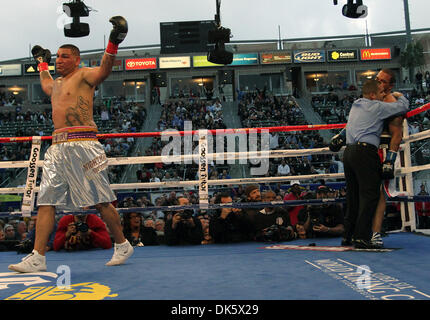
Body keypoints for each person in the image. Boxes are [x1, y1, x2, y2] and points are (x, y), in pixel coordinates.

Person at [9, 16, 133, 273]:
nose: (59, 60)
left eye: (64, 56)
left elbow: (104, 71)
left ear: (76, 59)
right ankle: (37, 256)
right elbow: (44, 82)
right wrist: (41, 61)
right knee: (46, 200)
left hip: (84, 143)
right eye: (57, 56)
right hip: (57, 148)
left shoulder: (84, 75)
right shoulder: (56, 84)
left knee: (101, 200)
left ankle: (122, 244)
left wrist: (113, 41)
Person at [342, 79, 409, 248]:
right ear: (373, 95)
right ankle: (361, 237)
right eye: (381, 93)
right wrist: (399, 96)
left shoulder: (356, 104)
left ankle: (348, 236)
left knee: (354, 196)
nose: (384, 95)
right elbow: (402, 107)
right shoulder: (376, 106)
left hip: (348, 153)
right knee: (370, 195)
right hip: (364, 152)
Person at [370, 69, 407, 247]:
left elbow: (397, 135)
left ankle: (375, 233)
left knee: (380, 195)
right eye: (377, 79)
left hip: (383, 151)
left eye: (383, 81)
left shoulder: (394, 105)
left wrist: (390, 160)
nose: (378, 83)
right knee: (364, 192)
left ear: (390, 85)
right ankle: (362, 231)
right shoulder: (372, 98)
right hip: (367, 150)